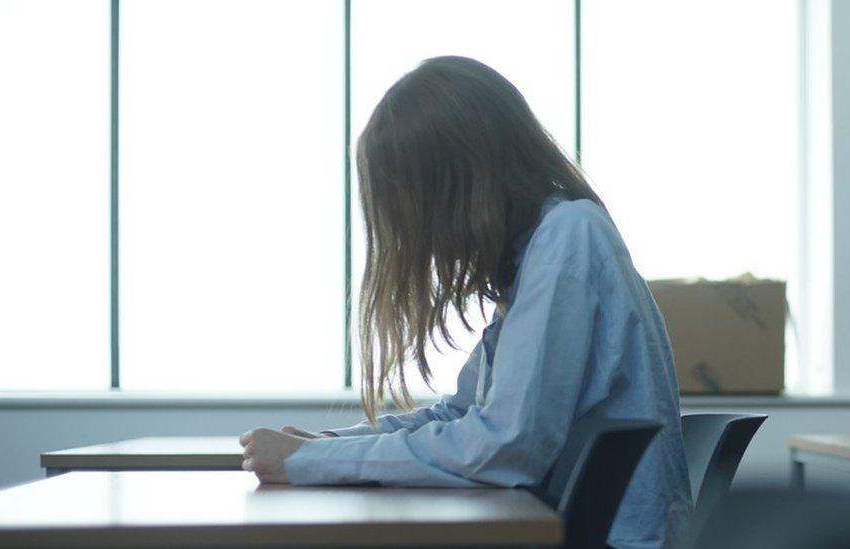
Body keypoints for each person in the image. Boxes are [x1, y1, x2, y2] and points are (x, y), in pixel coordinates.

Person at [239, 56, 691, 549]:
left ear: (459, 180)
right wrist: (333, 446)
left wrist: (308, 463)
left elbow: (504, 446)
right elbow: (458, 416)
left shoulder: (568, 235)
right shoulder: (536, 251)